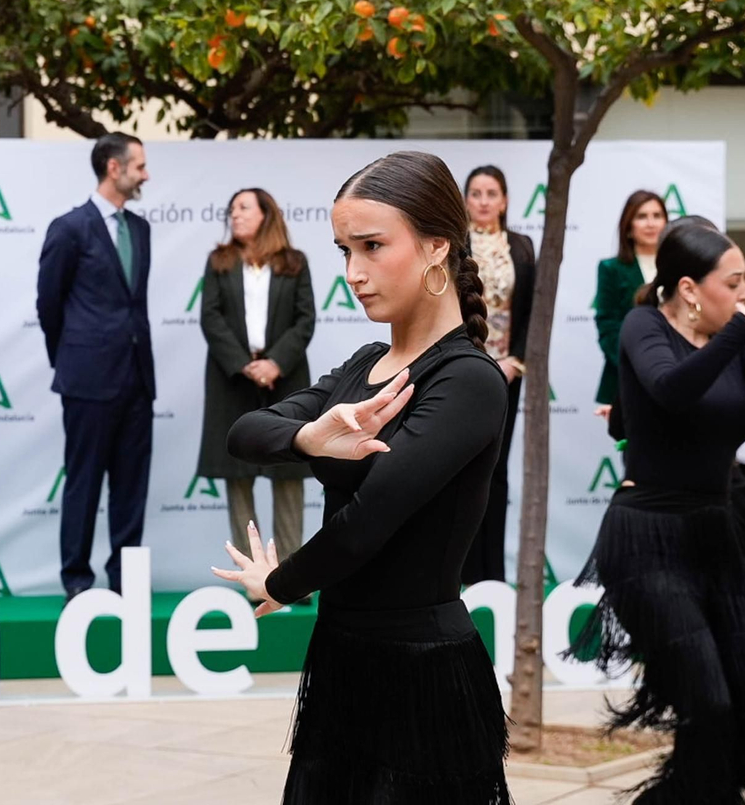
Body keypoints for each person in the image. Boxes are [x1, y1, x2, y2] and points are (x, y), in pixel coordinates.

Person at [215, 151, 511, 803]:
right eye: (345, 250)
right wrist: (308, 435)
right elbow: (246, 433)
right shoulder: (365, 363)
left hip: (423, 674)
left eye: (372, 246)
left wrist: (280, 583)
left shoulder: (467, 380)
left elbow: (368, 523)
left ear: (437, 246)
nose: (353, 272)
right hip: (342, 657)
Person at [569, 223, 745, 802]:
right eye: (734, 283)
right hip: (647, 539)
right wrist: (741, 326)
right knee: (709, 703)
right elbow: (671, 389)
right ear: (689, 288)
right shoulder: (645, 327)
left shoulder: (729, 339)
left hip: (716, 533)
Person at [37, 133, 155, 598]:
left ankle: (126, 581)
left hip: (137, 378)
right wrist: (71, 360)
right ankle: (77, 581)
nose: (146, 174)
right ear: (113, 167)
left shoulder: (140, 229)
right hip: (86, 380)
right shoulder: (69, 228)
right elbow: (49, 305)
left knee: (131, 486)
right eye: (139, 165)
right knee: (83, 483)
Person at [196, 188, 315, 564]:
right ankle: (252, 576)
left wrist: (275, 362)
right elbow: (210, 316)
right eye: (232, 209)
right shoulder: (219, 261)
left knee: (288, 472)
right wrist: (245, 365)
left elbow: (305, 319)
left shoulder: (294, 262)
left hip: (285, 379)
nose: (235, 214)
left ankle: (291, 577)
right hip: (234, 379)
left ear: (266, 215)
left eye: (244, 207)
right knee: (238, 475)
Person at [460, 164, 534, 585]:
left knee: (498, 468)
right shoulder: (454, 246)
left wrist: (514, 361)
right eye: (476, 193)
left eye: (492, 193)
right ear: (466, 200)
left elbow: (532, 312)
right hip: (463, 369)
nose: (484, 201)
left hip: (508, 372)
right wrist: (470, 359)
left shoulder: (523, 247)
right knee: (465, 466)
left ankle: (495, 577)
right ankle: (464, 573)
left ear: (504, 200)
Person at [594, 191, 668, 410]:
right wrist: (638, 364)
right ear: (628, 227)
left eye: (657, 215)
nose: (651, 223)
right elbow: (608, 326)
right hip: (627, 376)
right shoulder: (611, 269)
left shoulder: (681, 266)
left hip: (674, 372)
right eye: (642, 216)